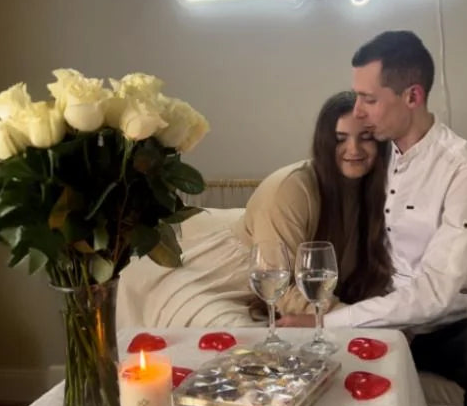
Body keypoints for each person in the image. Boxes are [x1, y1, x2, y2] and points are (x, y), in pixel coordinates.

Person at [278, 30, 467, 406]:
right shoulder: (374, 151)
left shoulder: (463, 167)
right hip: (377, 306)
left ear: (412, 95)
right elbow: (328, 169)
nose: (359, 111)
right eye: (357, 97)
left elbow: (434, 293)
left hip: (445, 321)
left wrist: (332, 322)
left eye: (369, 98)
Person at [116, 91, 393, 330]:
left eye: (366, 137)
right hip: (225, 278)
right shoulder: (292, 187)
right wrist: (359, 320)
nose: (353, 149)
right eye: (340, 139)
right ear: (324, 142)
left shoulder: (378, 188)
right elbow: (279, 285)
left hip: (283, 285)